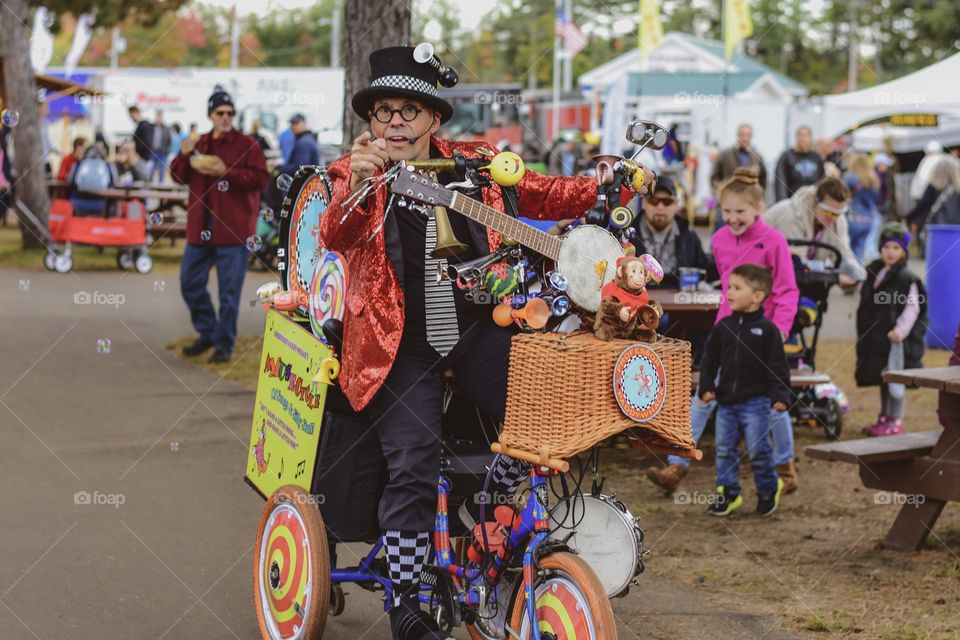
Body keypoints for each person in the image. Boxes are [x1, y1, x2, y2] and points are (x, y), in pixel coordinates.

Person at [319, 45, 654, 640]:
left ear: (433, 118)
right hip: (398, 350)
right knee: (414, 470)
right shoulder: (354, 170)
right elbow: (336, 233)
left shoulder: (477, 163)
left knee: (544, 424)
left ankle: (492, 539)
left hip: (478, 331)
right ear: (370, 120)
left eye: (408, 110)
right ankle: (409, 603)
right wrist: (364, 185)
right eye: (383, 111)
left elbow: (545, 192)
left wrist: (609, 185)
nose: (394, 122)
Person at [646, 168, 800, 495]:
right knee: (704, 394)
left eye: (740, 212)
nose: (732, 218)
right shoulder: (718, 240)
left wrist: (780, 328)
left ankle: (785, 464)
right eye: (726, 211)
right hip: (728, 331)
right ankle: (677, 464)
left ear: (758, 208)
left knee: (772, 400)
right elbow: (728, 291)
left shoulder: (774, 242)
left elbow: (787, 290)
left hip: (764, 333)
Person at [170, 89, 269, 364]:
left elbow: (261, 178)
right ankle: (208, 332)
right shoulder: (199, 143)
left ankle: (223, 345)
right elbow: (179, 176)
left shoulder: (248, 144)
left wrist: (226, 172)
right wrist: (183, 154)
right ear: (210, 115)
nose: (225, 117)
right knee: (189, 283)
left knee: (229, 292)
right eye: (220, 113)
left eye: (229, 113)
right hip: (201, 227)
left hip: (233, 230)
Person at [700, 264, 790, 516]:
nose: (729, 293)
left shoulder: (768, 331)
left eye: (737, 288)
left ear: (758, 296)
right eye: (729, 287)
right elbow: (709, 361)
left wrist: (780, 396)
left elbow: (778, 367)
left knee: (758, 449)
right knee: (724, 450)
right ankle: (728, 493)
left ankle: (768, 488)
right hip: (726, 403)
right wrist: (707, 387)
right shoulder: (723, 328)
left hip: (756, 404)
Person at [856, 222, 927, 436]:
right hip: (877, 340)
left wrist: (900, 331)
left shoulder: (907, 279)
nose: (890, 252)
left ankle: (896, 419)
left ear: (904, 252)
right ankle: (884, 416)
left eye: (896, 248)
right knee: (883, 380)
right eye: (886, 247)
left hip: (897, 341)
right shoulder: (875, 272)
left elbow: (912, 309)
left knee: (896, 381)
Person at [763, 176, 866, 286]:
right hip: (766, 273)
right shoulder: (791, 216)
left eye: (838, 213)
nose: (833, 218)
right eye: (828, 212)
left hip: (799, 277)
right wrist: (834, 277)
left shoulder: (837, 219)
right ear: (815, 202)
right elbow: (794, 264)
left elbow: (843, 252)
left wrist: (854, 270)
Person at [631, 175, 715, 288]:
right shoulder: (628, 234)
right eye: (654, 201)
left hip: (680, 302)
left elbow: (705, 270)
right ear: (644, 204)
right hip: (638, 302)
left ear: (676, 205)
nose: (660, 207)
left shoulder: (688, 235)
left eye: (667, 202)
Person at [843, 153, 883, 264]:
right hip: (869, 219)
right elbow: (877, 199)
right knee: (859, 250)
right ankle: (859, 276)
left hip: (853, 218)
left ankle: (850, 276)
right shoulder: (873, 178)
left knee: (848, 251)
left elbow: (842, 195)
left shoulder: (850, 177)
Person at [774, 126, 825, 202]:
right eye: (800, 135)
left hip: (812, 201)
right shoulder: (786, 156)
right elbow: (780, 182)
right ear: (796, 137)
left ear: (810, 138)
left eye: (805, 136)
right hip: (792, 201)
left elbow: (822, 180)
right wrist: (782, 202)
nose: (803, 139)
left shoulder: (816, 157)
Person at [711, 124, 767, 191]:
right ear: (737, 136)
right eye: (742, 135)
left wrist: (759, 197)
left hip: (749, 199)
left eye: (748, 135)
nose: (745, 138)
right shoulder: (725, 155)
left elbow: (763, 180)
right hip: (729, 198)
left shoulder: (757, 157)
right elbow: (714, 177)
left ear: (751, 137)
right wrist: (719, 194)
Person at [148, 110, 172, 183]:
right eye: (157, 117)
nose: (159, 119)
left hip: (163, 152)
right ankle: (149, 184)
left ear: (162, 118)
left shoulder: (166, 128)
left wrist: (167, 151)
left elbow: (169, 141)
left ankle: (160, 186)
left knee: (162, 170)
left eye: (160, 117)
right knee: (151, 169)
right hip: (153, 152)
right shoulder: (151, 127)